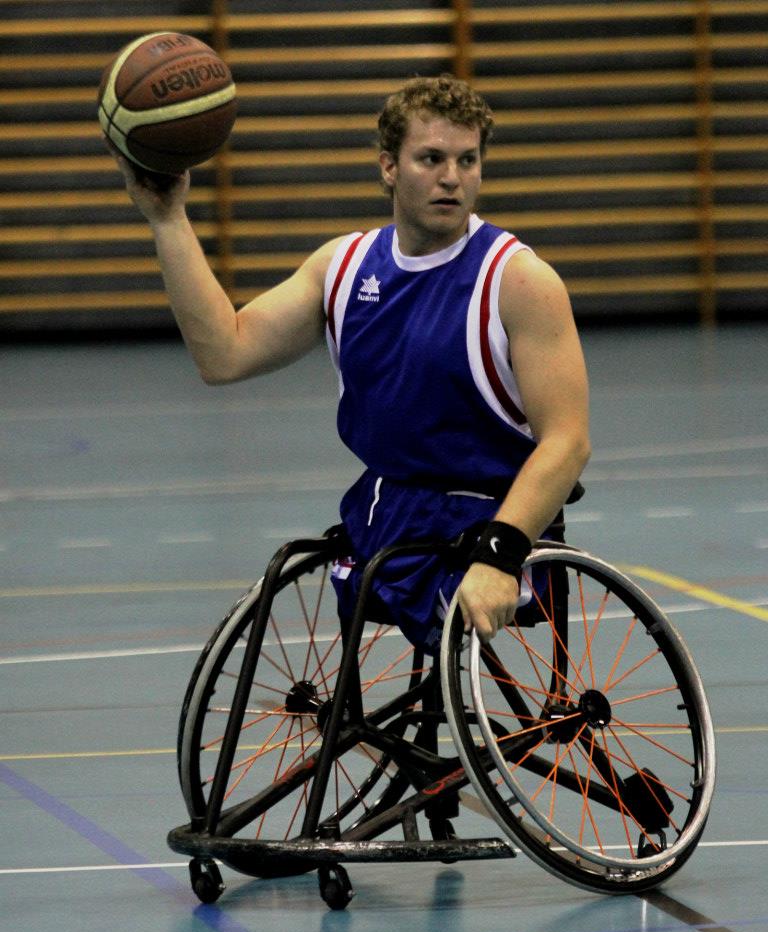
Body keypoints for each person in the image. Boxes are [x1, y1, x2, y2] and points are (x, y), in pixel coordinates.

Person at [109, 75, 590, 650]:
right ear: (389, 166)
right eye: (430, 158)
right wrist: (168, 220)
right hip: (387, 511)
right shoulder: (343, 266)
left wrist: (500, 553)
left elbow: (567, 441)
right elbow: (223, 354)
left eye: (468, 160)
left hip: (491, 518)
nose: (452, 178)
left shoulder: (517, 281)